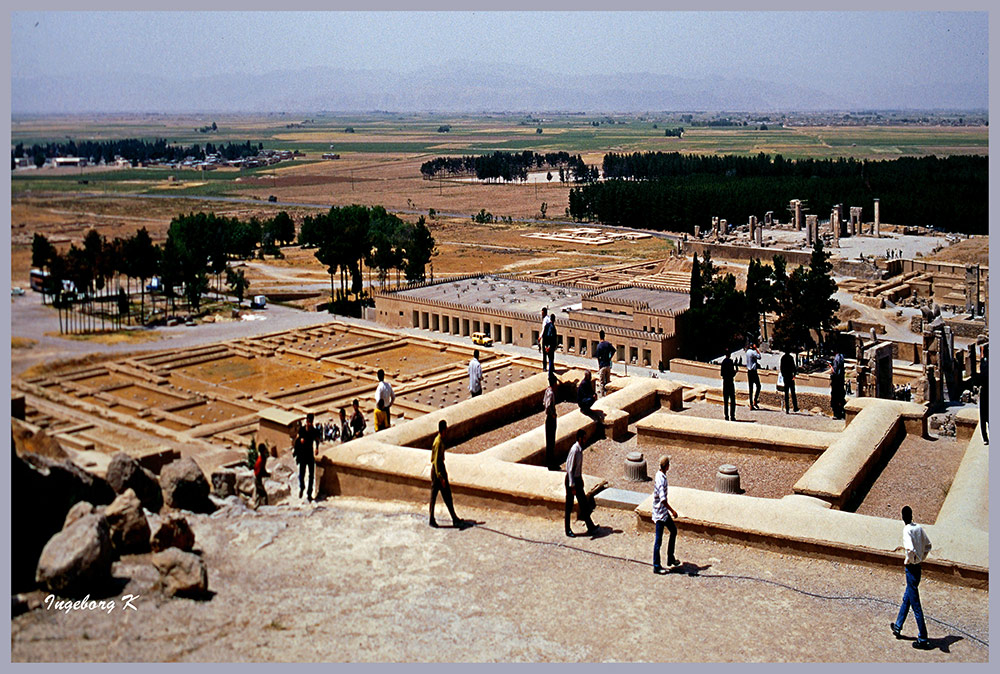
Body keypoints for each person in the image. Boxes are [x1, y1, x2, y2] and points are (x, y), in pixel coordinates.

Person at [891, 506, 933, 650]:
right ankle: (898, 626)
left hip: (911, 568)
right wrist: (921, 558)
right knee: (907, 598)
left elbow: (909, 548)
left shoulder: (907, 530)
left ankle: (923, 638)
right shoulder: (919, 528)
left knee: (916, 605)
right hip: (918, 568)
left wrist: (911, 559)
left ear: (903, 517)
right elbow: (928, 545)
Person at [429, 419, 465, 528]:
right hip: (438, 473)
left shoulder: (439, 440)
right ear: (443, 430)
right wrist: (440, 477)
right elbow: (435, 461)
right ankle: (450, 519)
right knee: (440, 496)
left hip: (439, 471)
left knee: (443, 496)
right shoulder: (438, 442)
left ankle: (453, 517)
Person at [564, 429, 598, 538]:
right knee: (569, 506)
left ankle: (590, 526)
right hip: (572, 481)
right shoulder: (574, 450)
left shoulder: (579, 449)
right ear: (580, 438)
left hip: (577, 479)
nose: (585, 440)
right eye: (584, 438)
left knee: (584, 504)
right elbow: (569, 469)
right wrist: (572, 485)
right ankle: (568, 529)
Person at [651, 455, 679, 573]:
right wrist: (672, 511)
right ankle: (656, 566)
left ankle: (670, 558)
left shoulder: (659, 475)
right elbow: (663, 499)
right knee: (658, 541)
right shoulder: (661, 480)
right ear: (667, 466)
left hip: (662, 512)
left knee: (673, 530)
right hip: (660, 514)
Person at [293, 424, 316, 501]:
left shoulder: (313, 430)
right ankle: (302, 487)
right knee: (302, 474)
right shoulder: (302, 430)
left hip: (310, 456)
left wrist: (317, 448)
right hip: (303, 456)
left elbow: (317, 439)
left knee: (311, 475)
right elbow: (297, 440)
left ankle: (309, 493)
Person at [543, 373, 558, 471]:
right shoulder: (551, 393)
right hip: (550, 419)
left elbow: (543, 402)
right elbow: (547, 405)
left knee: (550, 441)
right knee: (551, 441)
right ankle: (550, 464)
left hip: (549, 418)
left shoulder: (547, 390)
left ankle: (550, 462)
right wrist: (552, 414)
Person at [595, 330, 616, 398]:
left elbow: (598, 357)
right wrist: (610, 358)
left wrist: (599, 365)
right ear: (604, 336)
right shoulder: (607, 344)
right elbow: (614, 350)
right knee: (608, 381)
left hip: (602, 366)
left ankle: (602, 397)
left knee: (601, 383)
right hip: (608, 365)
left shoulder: (599, 346)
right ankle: (608, 396)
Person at [720, 351, 738, 421]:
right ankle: (732, 416)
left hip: (725, 382)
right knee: (732, 400)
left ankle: (726, 416)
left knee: (726, 400)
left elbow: (721, 373)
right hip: (730, 382)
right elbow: (732, 373)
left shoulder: (723, 362)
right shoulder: (730, 362)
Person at [830, 349, 846, 419]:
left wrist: (832, 369)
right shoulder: (841, 357)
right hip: (840, 381)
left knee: (835, 398)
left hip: (836, 381)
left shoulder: (836, 358)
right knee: (840, 398)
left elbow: (835, 371)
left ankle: (837, 414)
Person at [745, 343, 761, 410]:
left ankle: (751, 404)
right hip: (753, 371)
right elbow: (759, 357)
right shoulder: (752, 352)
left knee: (750, 388)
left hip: (749, 371)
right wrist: (757, 349)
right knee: (758, 385)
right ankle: (755, 400)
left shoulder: (747, 352)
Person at [253, 442, 269, 508]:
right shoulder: (261, 459)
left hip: (257, 477)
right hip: (257, 478)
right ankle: (265, 508)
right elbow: (259, 471)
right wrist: (266, 474)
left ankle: (256, 507)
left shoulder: (261, 458)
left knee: (258, 494)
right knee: (264, 495)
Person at [979, 345, 988, 445]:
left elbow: (982, 359)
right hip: (986, 390)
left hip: (985, 390)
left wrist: (982, 350)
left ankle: (985, 437)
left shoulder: (984, 364)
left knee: (983, 415)